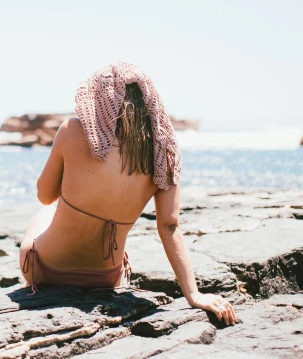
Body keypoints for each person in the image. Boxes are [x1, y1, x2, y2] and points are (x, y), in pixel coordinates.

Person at [19, 63, 236, 326]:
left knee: (47, 210)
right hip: (107, 278)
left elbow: (45, 196)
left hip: (45, 270)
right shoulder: (164, 151)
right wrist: (194, 294)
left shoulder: (71, 130)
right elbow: (169, 226)